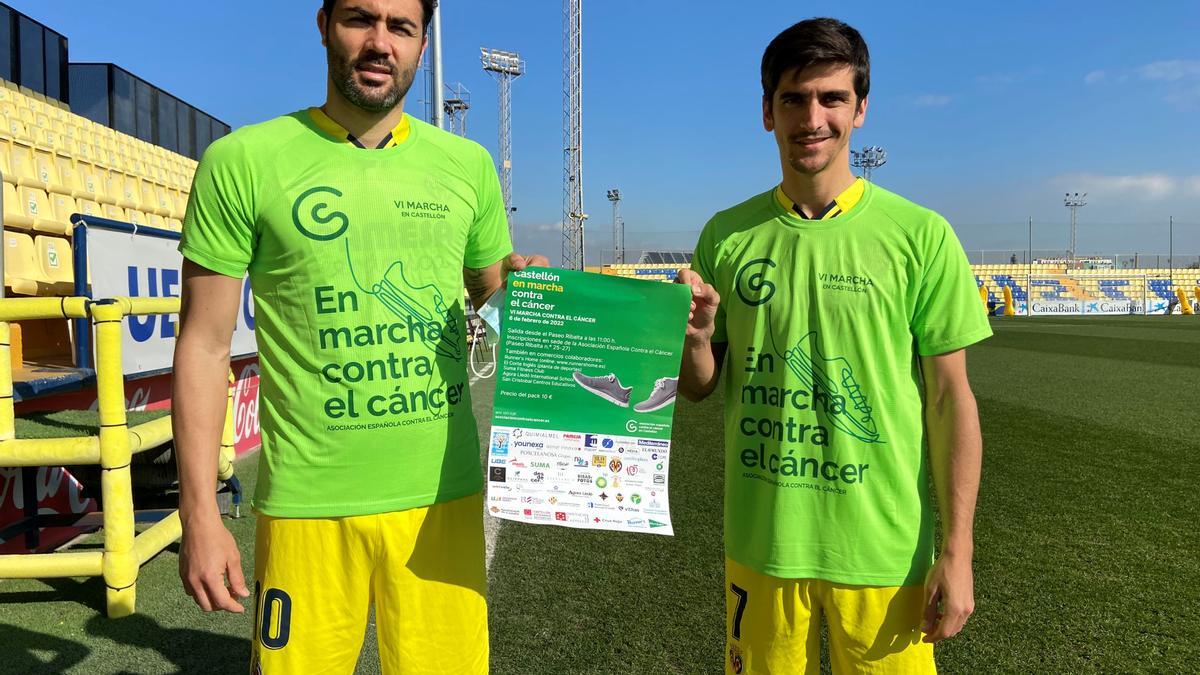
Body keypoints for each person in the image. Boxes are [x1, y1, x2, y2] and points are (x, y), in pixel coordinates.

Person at [171, 1, 545, 672]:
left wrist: (533, 292)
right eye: (359, 19)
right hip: (306, 509)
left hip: (443, 502)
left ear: (423, 44)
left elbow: (492, 293)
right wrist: (199, 513)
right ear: (323, 25)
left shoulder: (467, 165)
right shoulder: (242, 161)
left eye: (400, 27)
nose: (380, 43)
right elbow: (202, 344)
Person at [675, 18, 991, 674]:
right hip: (763, 547)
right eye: (793, 98)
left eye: (832, 98)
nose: (811, 117)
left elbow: (950, 396)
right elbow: (701, 382)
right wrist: (698, 337)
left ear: (861, 109)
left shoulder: (920, 236)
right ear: (767, 112)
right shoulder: (726, 236)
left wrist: (956, 549)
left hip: (883, 554)